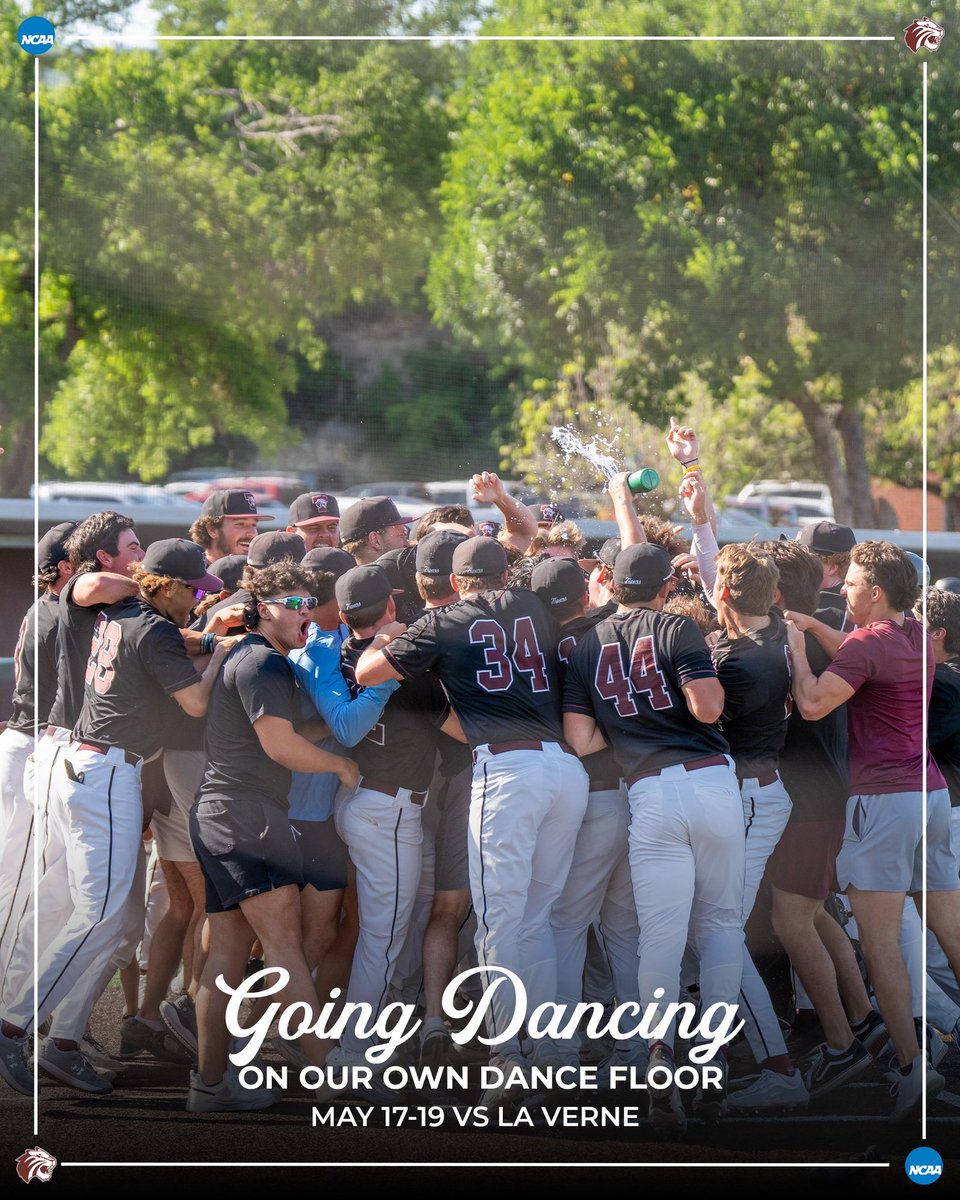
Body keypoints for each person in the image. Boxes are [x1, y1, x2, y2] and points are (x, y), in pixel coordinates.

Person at [354, 536, 589, 1108]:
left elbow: (366, 672)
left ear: (457, 583)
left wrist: (400, 637)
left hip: (505, 773)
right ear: (505, 574)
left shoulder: (445, 620)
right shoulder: (533, 605)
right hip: (564, 771)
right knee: (538, 920)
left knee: (500, 925)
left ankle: (509, 1059)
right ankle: (552, 1055)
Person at [0, 539, 230, 1097]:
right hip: (102, 770)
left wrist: (204, 630)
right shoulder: (149, 626)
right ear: (167, 586)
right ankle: (14, 1026)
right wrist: (221, 650)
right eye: (193, 587)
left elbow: (167, 642)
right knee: (101, 915)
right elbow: (196, 703)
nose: (198, 595)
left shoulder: (122, 614)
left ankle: (42, 1031)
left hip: (79, 763)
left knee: (71, 903)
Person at [563, 542, 745, 1134]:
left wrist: (631, 725)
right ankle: (710, 1062)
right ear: (665, 587)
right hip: (708, 782)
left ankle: (658, 1052)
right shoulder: (676, 628)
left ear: (610, 584)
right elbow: (707, 708)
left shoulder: (586, 642)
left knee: (658, 938)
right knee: (719, 927)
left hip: (645, 791)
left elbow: (582, 740)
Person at [786, 540, 959, 1124]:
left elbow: (812, 704)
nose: (844, 589)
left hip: (884, 803)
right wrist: (816, 624)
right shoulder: (917, 634)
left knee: (882, 945)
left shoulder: (865, 643)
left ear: (877, 592)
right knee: (951, 931)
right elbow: (861, 659)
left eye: (854, 582)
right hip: (932, 796)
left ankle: (913, 1068)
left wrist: (793, 644)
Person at [188, 561, 359, 1112]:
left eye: (311, 602)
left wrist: (336, 722)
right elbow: (279, 747)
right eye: (294, 603)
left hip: (220, 813)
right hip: (247, 815)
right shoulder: (263, 661)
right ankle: (327, 1072)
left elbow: (285, 732)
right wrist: (341, 769)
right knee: (284, 945)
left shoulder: (250, 657)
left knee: (229, 955)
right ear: (264, 608)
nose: (306, 613)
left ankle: (209, 1085)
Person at [326, 564, 463, 1083]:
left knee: (408, 913)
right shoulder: (409, 671)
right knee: (382, 937)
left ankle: (387, 1028)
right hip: (388, 811)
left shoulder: (339, 654)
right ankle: (353, 1052)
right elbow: (465, 733)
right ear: (388, 607)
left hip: (366, 803)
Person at [0, 524, 76, 985]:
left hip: (34, 746)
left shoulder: (52, 607)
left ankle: (22, 1007)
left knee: (34, 886)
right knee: (17, 887)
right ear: (66, 568)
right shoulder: (53, 611)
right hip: (30, 744)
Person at [189, 489, 274, 561]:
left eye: (253, 525)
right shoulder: (193, 576)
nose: (251, 534)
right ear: (212, 530)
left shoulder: (254, 575)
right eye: (241, 524)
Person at [339, 497, 414, 564]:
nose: (407, 543)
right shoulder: (377, 578)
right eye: (401, 535)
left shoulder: (345, 577)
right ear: (375, 540)